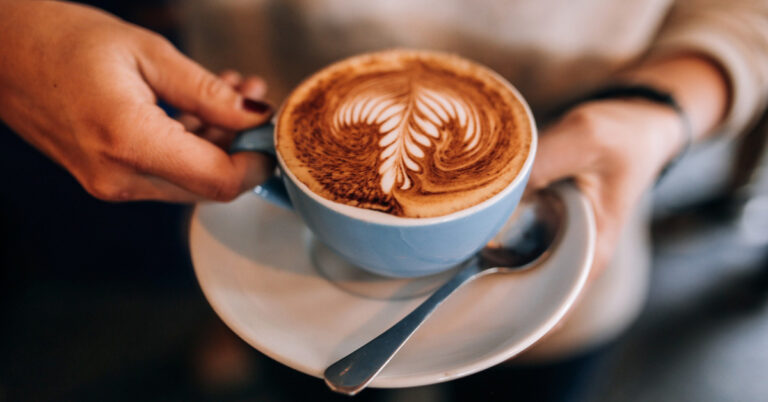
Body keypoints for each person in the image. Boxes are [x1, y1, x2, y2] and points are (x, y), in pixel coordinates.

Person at [1, 0, 767, 393]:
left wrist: (660, 110)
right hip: (281, 275)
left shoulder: (550, 269)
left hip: (568, 259)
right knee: (291, 383)